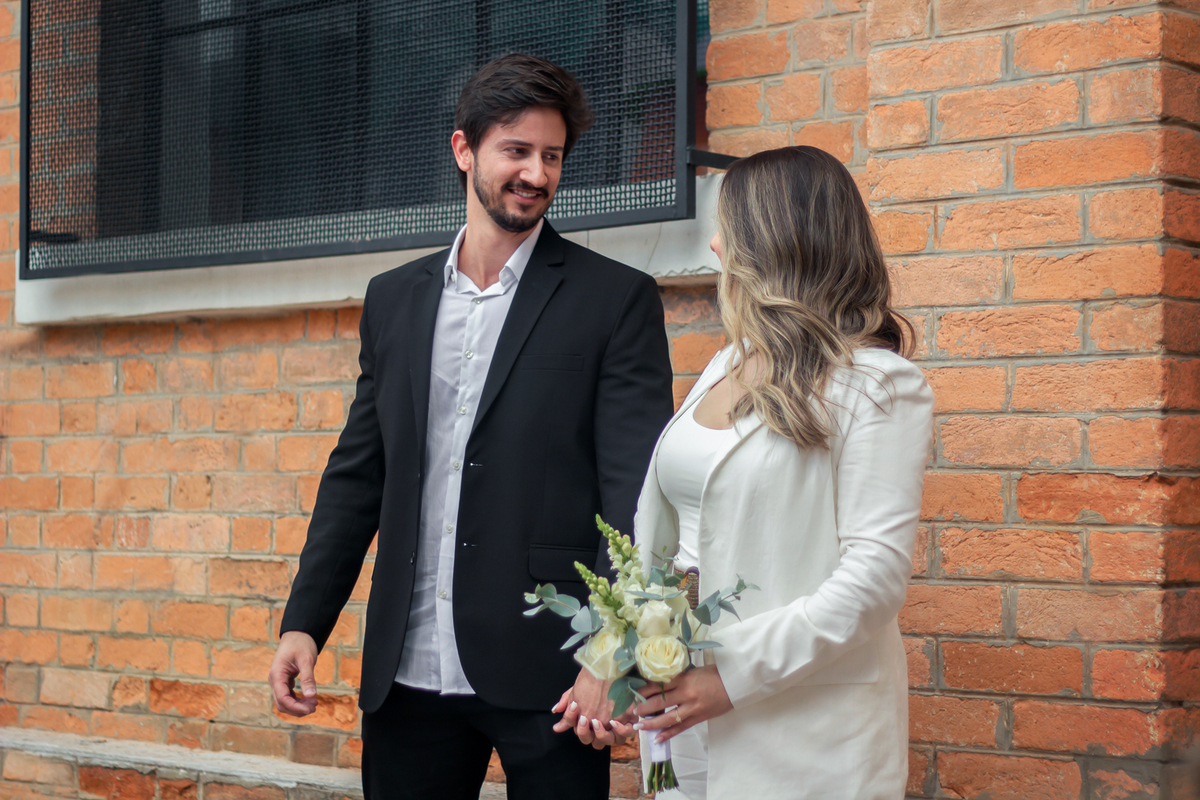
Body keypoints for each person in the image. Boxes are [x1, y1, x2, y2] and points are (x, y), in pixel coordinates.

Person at [267, 54, 675, 800]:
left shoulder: (614, 300)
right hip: (407, 669)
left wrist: (612, 652)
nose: (536, 174)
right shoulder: (393, 300)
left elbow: (636, 495)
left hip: (555, 674)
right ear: (464, 149)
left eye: (551, 156)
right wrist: (305, 623)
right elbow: (358, 473)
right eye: (516, 151)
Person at [561, 145, 934, 798]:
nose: (712, 247)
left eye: (727, 231)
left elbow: (874, 578)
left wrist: (729, 676)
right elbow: (673, 543)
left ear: (774, 242)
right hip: (679, 714)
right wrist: (613, 660)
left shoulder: (878, 385)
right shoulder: (726, 361)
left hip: (799, 726)